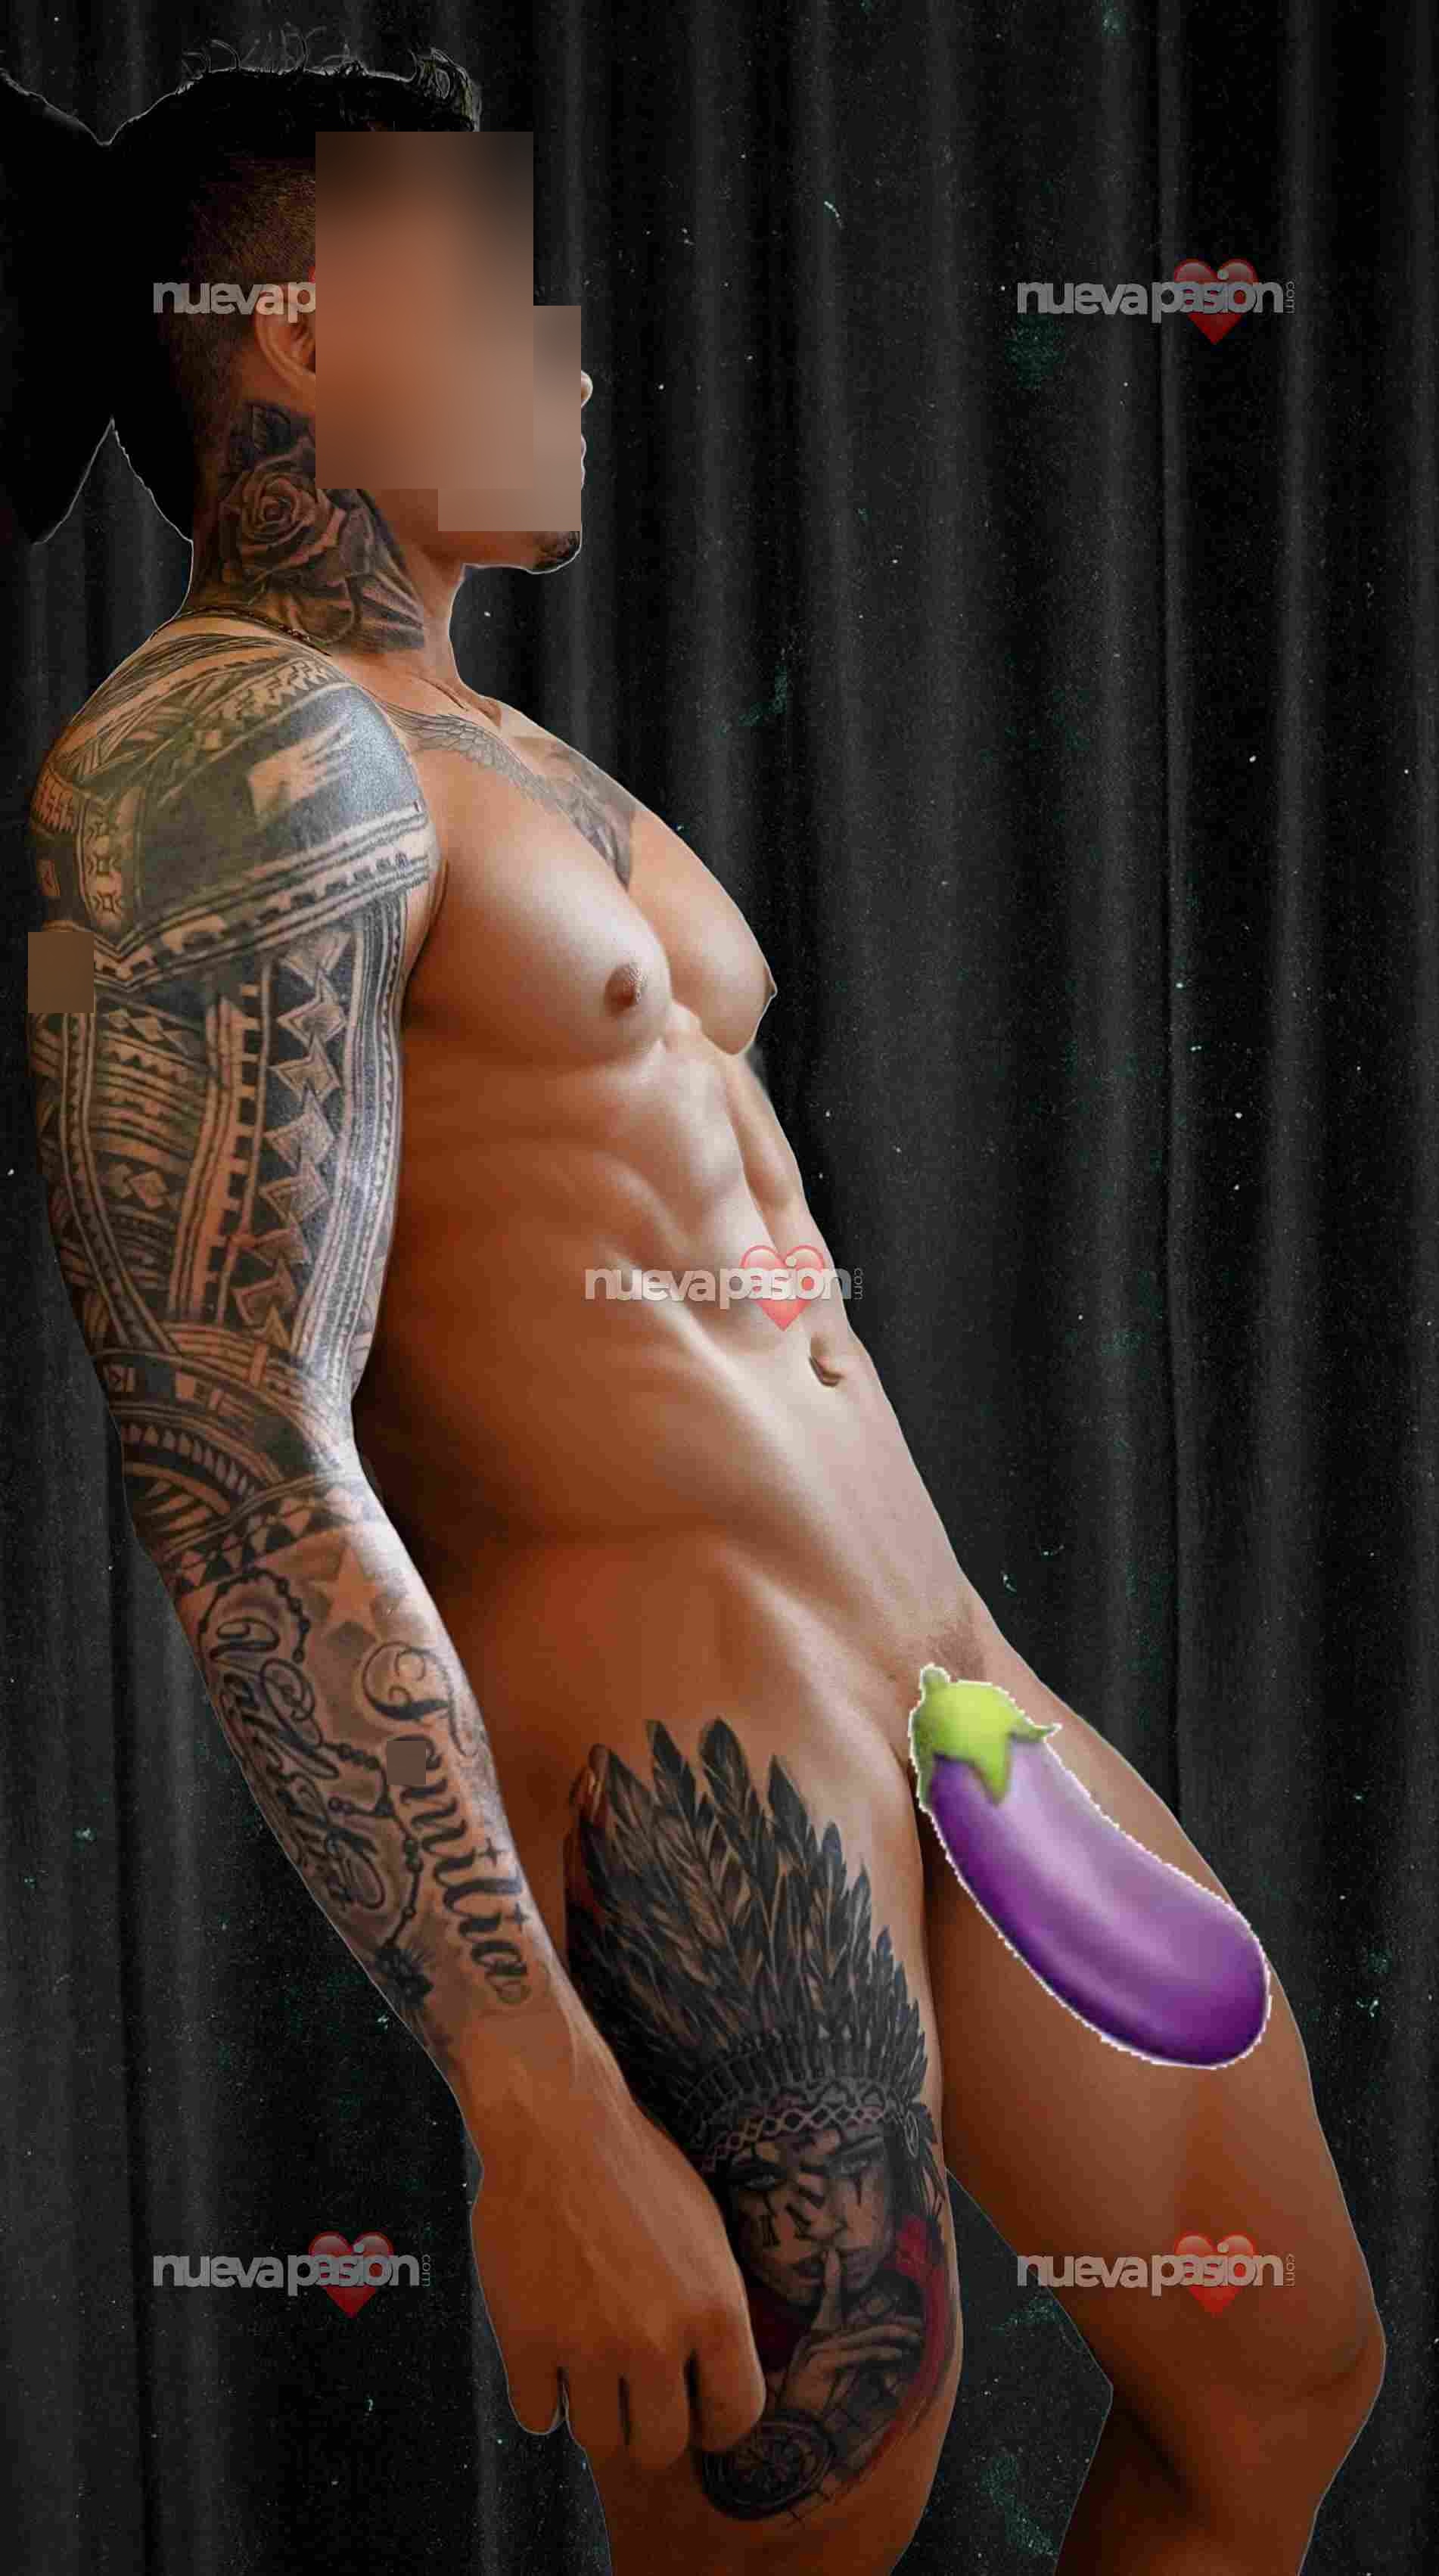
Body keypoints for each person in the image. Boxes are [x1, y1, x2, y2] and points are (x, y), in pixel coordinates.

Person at [8, 42, 1384, 2575]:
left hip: (948, 1681)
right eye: (504, 286)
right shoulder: (220, 755)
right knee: (807, 2490)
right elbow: (237, 1452)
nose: (572, 348)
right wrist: (530, 2088)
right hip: (678, 1716)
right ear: (307, 329)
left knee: (1275, 2374)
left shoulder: (506, 754)